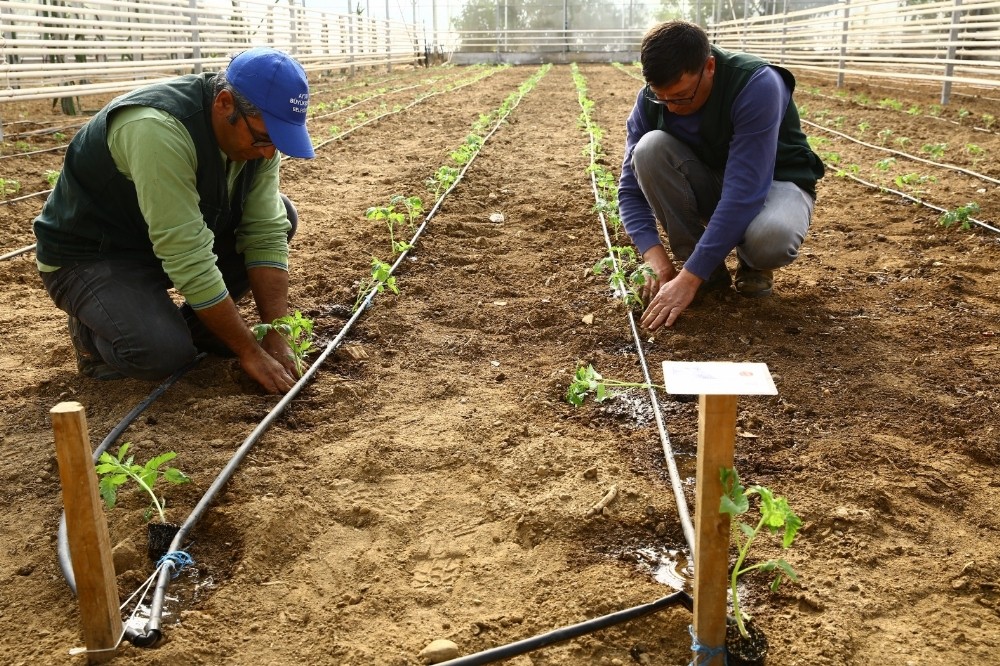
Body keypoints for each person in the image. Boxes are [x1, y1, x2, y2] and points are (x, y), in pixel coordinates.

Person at [33, 47, 314, 394]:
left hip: (156, 241)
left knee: (282, 214)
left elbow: (265, 231)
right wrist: (250, 351)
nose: (269, 152)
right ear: (224, 104)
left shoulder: (258, 138)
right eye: (263, 138)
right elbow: (187, 253)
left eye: (278, 141)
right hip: (94, 255)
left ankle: (199, 327)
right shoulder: (157, 128)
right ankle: (92, 334)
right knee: (162, 354)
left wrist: (277, 333)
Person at [619, 21, 825, 331]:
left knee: (771, 238)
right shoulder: (649, 102)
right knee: (648, 149)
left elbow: (744, 193)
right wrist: (655, 258)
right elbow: (629, 190)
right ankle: (709, 273)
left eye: (681, 96)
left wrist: (688, 279)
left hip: (776, 181)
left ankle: (751, 265)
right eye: (662, 97)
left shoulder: (756, 84)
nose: (671, 108)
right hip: (716, 180)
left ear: (710, 67)